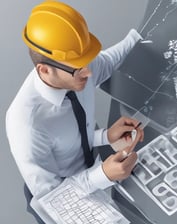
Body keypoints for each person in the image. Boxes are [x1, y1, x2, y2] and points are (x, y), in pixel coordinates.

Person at [5, 1, 144, 223]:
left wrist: (104, 136)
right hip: (59, 198)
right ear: (45, 70)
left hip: (94, 172)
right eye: (78, 67)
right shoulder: (26, 124)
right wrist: (103, 175)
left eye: (86, 60)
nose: (89, 72)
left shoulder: (77, 71)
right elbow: (54, 199)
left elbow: (107, 62)